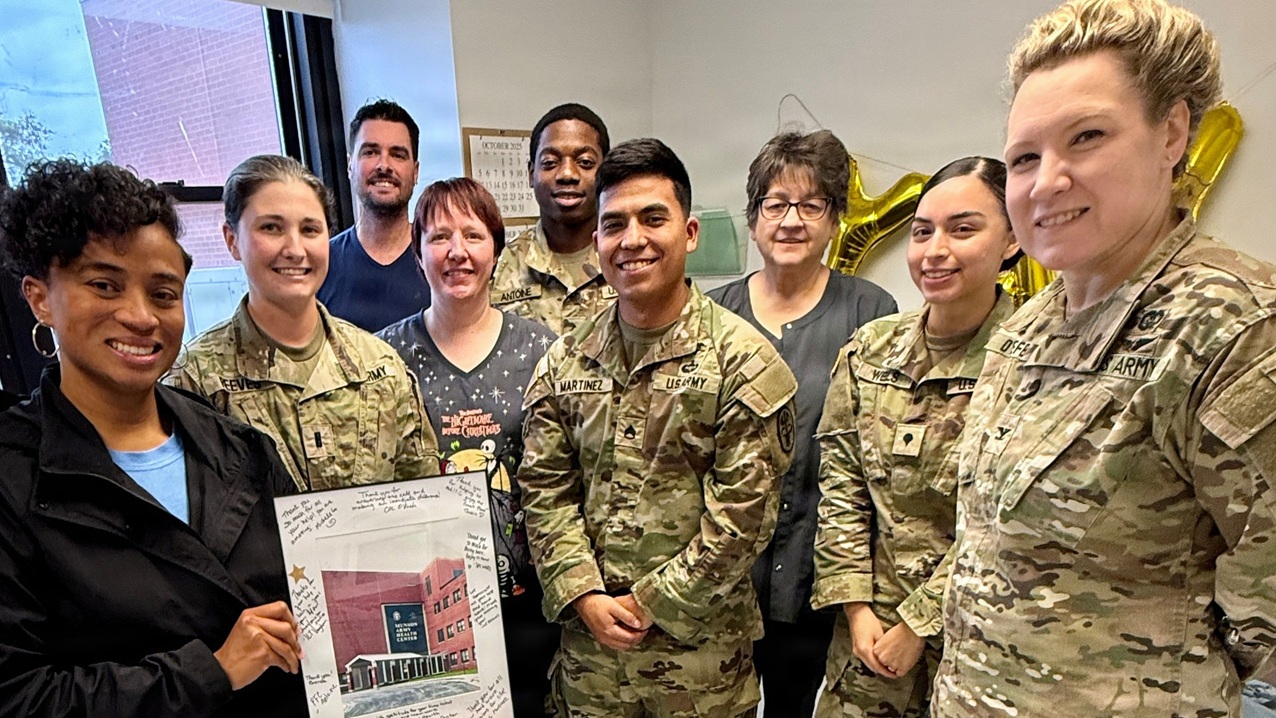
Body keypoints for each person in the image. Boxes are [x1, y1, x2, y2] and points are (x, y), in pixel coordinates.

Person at [934, 1, 1276, 715]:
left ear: (1172, 134)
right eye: (1024, 157)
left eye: (1086, 137)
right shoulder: (1028, 326)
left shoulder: (1232, 328)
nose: (1047, 181)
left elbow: (1266, 619)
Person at [0, 159, 306, 717]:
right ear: (40, 296)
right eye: (104, 285)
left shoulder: (239, 447)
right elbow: (18, 696)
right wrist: (209, 672)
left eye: (164, 294)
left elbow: (310, 598)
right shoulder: (13, 478)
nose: (141, 316)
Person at [518, 138, 798, 717]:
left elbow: (743, 522)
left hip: (701, 675)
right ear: (596, 241)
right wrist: (584, 592)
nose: (633, 240)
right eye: (614, 224)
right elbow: (545, 491)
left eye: (654, 219)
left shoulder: (743, 363)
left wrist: (649, 602)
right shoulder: (564, 361)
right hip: (590, 666)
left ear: (689, 233)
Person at [811, 157, 1021, 717]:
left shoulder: (1036, 360)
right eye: (922, 231)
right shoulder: (870, 349)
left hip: (982, 638)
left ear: (1012, 240)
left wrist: (919, 621)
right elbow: (842, 489)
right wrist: (857, 609)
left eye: (963, 229)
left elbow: (1007, 521)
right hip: (866, 638)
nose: (934, 250)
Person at [707, 129, 896, 717]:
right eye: (775, 204)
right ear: (754, 217)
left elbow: (872, 457)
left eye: (811, 205)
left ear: (834, 219)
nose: (792, 220)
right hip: (722, 573)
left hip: (819, 571)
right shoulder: (713, 314)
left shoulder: (871, 313)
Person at [377, 177, 558, 716]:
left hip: (527, 598)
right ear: (417, 252)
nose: (457, 252)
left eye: (473, 236)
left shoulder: (543, 349)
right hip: (429, 601)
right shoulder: (382, 356)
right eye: (438, 237)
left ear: (496, 251)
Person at [169, 155, 439, 491]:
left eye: (310, 229)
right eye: (271, 228)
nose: (295, 249)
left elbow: (424, 504)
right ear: (232, 239)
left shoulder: (380, 368)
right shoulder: (196, 382)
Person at [490, 103, 617, 335]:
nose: (567, 174)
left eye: (585, 163)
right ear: (531, 174)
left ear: (605, 172)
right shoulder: (497, 266)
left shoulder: (629, 257)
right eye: (550, 163)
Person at [317, 99, 431, 332]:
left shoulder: (440, 258)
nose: (384, 165)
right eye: (370, 152)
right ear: (350, 165)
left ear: (416, 171)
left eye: (398, 155)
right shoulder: (320, 263)